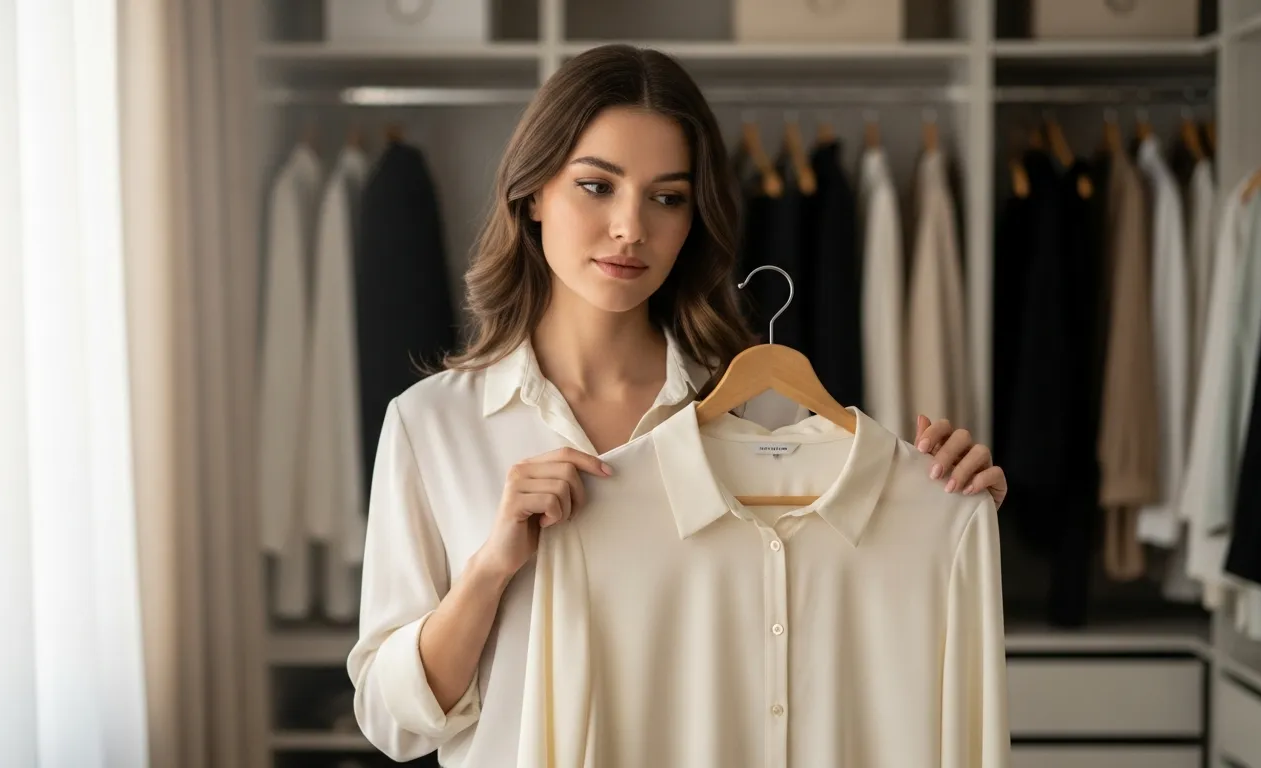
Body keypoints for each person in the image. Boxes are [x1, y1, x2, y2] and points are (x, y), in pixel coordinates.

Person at [347, 43, 1008, 766]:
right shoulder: (433, 425)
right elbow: (393, 723)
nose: (631, 227)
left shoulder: (770, 422)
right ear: (533, 192)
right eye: (597, 186)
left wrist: (942, 504)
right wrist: (490, 569)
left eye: (667, 197)